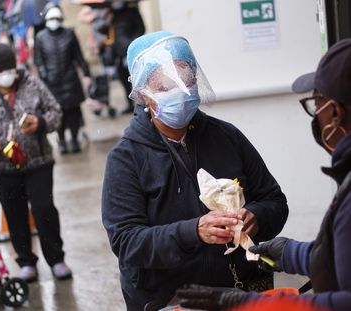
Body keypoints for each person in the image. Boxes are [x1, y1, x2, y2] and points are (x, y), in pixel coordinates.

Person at [101, 31, 289, 310]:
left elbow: (275, 201)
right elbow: (127, 241)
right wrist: (194, 232)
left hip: (238, 288)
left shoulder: (227, 137)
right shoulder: (126, 158)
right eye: (166, 88)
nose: (182, 92)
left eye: (188, 82)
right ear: (143, 94)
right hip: (168, 298)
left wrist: (256, 217)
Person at [176, 38, 351, 311]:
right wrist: (292, 253)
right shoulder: (127, 157)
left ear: (336, 112)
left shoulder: (226, 136)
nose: (316, 116)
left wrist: (258, 304)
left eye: (317, 104)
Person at [0, 42, 72, 283]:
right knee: (15, 214)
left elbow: (55, 112)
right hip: (2, 168)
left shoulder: (32, 84)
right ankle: (26, 262)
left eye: (9, 70)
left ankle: (56, 259)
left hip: (38, 161)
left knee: (44, 209)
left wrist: (41, 123)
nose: (5, 76)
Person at [35, 3, 91, 154]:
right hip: (52, 83)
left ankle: (73, 139)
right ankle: (62, 141)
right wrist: (44, 75)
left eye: (56, 18)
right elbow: (39, 60)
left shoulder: (69, 34)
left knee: (73, 113)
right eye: (51, 18)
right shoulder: (40, 37)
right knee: (57, 114)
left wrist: (86, 72)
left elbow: (78, 56)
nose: (54, 21)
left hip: (70, 80)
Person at [110, 0, 145, 114]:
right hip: (118, 55)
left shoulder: (133, 12)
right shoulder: (113, 15)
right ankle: (129, 104)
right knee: (123, 80)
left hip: (131, 53)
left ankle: (144, 103)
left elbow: (141, 29)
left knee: (138, 79)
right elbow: (109, 34)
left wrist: (131, 43)